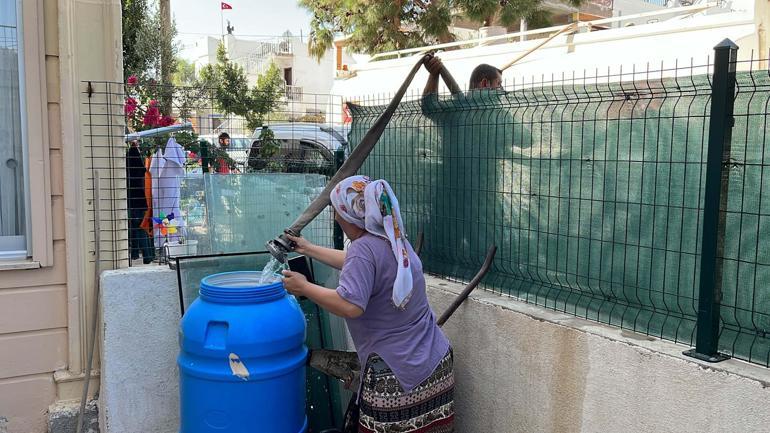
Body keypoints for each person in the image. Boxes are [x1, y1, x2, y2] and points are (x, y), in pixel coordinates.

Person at [282, 176, 455, 433]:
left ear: (349, 214)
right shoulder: (394, 237)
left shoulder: (365, 249)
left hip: (396, 377)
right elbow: (358, 263)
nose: (336, 219)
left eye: (336, 212)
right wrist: (308, 249)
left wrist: (304, 287)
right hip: (436, 363)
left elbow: (350, 305)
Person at [126, 140, 155, 263]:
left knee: (137, 227)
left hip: (135, 202)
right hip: (138, 201)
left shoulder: (131, 159)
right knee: (136, 227)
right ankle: (136, 254)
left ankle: (147, 255)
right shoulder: (136, 162)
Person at [423, 54, 503, 95]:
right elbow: (429, 109)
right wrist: (434, 73)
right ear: (485, 84)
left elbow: (429, 109)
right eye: (498, 83)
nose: (501, 89)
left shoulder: (457, 109)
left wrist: (434, 73)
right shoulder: (501, 117)